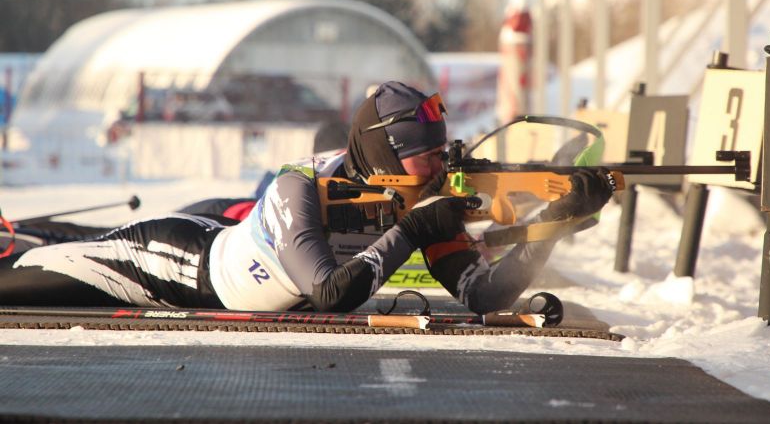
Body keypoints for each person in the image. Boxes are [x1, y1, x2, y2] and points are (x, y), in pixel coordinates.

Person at [0, 81, 614, 312]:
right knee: (17, 279)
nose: (439, 167)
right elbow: (329, 293)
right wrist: (415, 230)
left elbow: (485, 295)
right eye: (425, 155)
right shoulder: (301, 184)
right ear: (385, 154)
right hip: (169, 265)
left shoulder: (419, 198)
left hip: (202, 256)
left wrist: (556, 222)